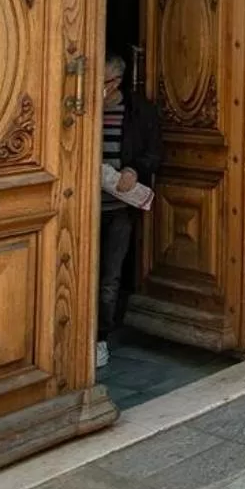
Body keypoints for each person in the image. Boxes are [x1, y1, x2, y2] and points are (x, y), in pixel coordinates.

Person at [97, 54, 162, 370]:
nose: (100, 88)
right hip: (80, 208)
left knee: (109, 278)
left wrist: (134, 171)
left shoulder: (139, 112)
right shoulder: (82, 107)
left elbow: (153, 153)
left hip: (118, 208)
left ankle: (99, 339)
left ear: (117, 82)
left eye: (105, 82)